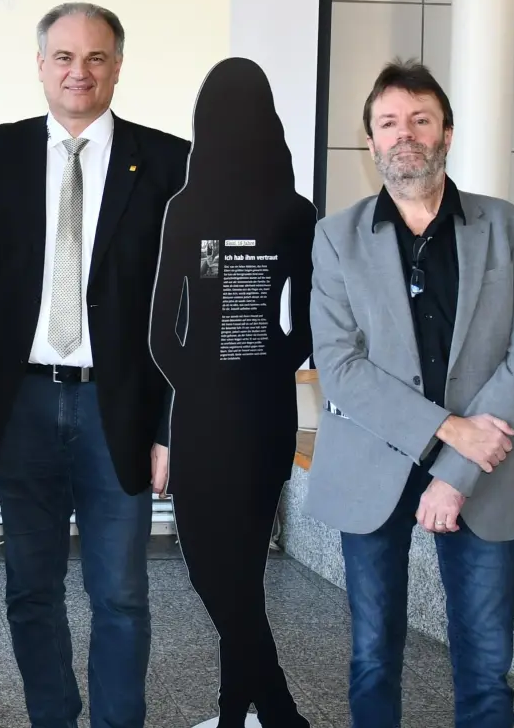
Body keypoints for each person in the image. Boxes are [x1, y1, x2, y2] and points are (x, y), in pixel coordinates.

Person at [0, 1, 188, 728]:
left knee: (120, 592)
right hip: (20, 405)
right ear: (40, 65)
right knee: (31, 588)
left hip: (117, 410)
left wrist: (172, 428)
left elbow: (189, 312)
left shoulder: (170, 162)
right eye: (63, 57)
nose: (78, 71)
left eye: (95, 58)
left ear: (118, 66)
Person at [307, 59, 514, 728]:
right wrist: (449, 430)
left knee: (486, 666)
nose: (404, 134)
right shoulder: (337, 237)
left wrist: (458, 468)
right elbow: (341, 366)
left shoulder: (509, 230)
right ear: (371, 141)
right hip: (373, 465)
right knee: (374, 658)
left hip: (484, 474)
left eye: (420, 119)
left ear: (446, 132)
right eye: (388, 123)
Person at [149, 58, 314, 727]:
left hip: (217, 416)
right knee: (231, 576)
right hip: (260, 409)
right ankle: (264, 709)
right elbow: (300, 333)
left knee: (224, 575)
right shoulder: (214, 210)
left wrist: (211, 380)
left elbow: (165, 335)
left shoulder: (206, 208)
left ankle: (252, 709)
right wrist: (259, 369)